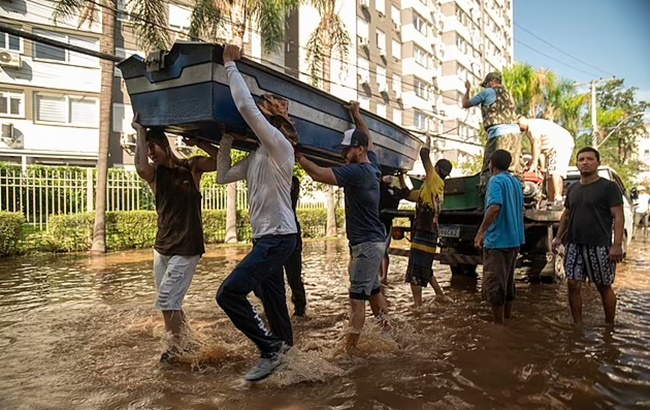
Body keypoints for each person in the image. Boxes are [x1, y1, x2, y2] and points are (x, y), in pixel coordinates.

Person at [215, 44, 298, 382]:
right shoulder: (257, 158)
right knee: (274, 303)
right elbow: (222, 176)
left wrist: (229, 65)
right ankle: (290, 361)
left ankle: (269, 350)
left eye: (275, 123)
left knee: (229, 293)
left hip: (278, 238)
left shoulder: (281, 147)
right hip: (267, 238)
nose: (273, 127)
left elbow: (248, 109)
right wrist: (224, 141)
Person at [296, 101, 389, 350]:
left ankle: (349, 353)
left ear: (358, 151)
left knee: (356, 301)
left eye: (346, 150)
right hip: (373, 243)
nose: (342, 154)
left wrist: (295, 153)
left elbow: (318, 174)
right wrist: (356, 116)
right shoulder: (374, 167)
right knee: (374, 295)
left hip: (366, 246)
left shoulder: (356, 172)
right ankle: (395, 338)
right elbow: (368, 138)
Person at [131, 113, 217, 362]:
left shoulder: (191, 168)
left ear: (165, 145)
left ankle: (173, 347)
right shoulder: (154, 175)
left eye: (152, 147)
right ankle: (187, 340)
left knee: (167, 298)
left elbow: (221, 160)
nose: (150, 154)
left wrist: (198, 141)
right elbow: (140, 167)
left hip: (188, 247)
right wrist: (140, 132)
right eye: (146, 150)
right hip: (162, 248)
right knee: (171, 301)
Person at [552, 147, 624, 325]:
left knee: (603, 286)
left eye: (590, 159)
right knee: (573, 284)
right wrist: (558, 237)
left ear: (598, 163)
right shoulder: (573, 188)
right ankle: (577, 326)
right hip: (574, 245)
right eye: (581, 159)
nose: (585, 162)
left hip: (599, 245)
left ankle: (609, 327)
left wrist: (616, 245)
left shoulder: (609, 188)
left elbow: (618, 216)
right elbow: (566, 215)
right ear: (577, 164)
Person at [474, 149, 525, 324]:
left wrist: (481, 232)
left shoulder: (495, 181)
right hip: (514, 240)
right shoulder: (516, 182)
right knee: (508, 282)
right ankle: (507, 319)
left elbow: (494, 207)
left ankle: (498, 326)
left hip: (498, 241)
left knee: (495, 284)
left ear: (491, 165)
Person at [403, 147, 454, 308]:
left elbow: (424, 155)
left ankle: (417, 307)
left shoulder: (434, 180)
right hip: (429, 232)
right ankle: (440, 295)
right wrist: (401, 176)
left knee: (415, 271)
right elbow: (409, 195)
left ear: (436, 169)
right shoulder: (432, 188)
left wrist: (427, 143)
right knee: (424, 265)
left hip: (424, 232)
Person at [462, 72, 523, 196]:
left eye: (486, 85)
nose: (485, 87)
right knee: (514, 169)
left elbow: (465, 104)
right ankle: (518, 198)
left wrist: (467, 89)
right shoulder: (509, 94)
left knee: (490, 167)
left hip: (499, 134)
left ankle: (486, 200)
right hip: (515, 135)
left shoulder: (488, 92)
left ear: (491, 82)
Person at [517, 116, 575, 209]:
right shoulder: (529, 132)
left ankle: (558, 200)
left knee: (555, 172)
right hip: (551, 150)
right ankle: (550, 202)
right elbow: (540, 151)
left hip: (560, 143)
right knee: (549, 175)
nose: (518, 126)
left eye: (518, 123)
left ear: (522, 119)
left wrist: (534, 163)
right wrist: (542, 168)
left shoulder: (533, 125)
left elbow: (537, 144)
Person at [378, 174, 408, 287]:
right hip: (377, 222)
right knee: (378, 251)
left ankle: (384, 277)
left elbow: (403, 194)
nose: (389, 178)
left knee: (384, 251)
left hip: (387, 222)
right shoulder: (378, 187)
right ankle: (380, 277)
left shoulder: (395, 190)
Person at [285, 176, 307, 316]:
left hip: (291, 234)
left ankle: (300, 309)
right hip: (272, 233)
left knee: (294, 276)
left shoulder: (291, 180)